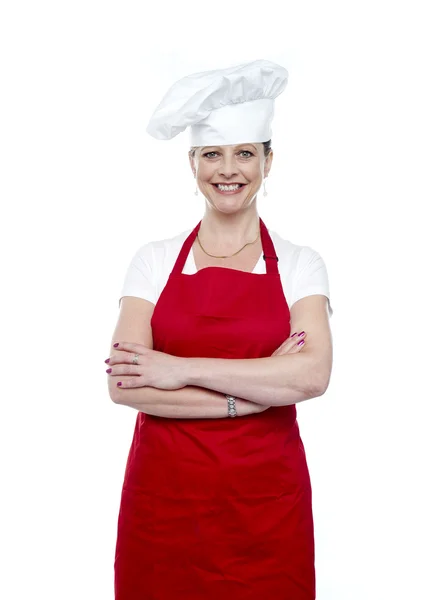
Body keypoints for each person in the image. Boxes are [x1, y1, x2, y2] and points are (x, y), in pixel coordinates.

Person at [106, 59, 333, 600]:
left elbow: (312, 374)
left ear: (268, 161)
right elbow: (124, 384)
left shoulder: (302, 264)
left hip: (265, 509)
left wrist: (176, 369)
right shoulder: (154, 261)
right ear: (192, 163)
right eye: (212, 153)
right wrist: (255, 395)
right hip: (164, 506)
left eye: (245, 154)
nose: (228, 170)